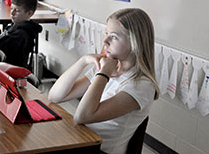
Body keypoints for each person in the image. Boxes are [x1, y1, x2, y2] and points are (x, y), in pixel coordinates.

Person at [48, 8, 159, 154]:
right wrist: (83, 61)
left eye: (113, 37)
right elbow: (55, 96)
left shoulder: (142, 85)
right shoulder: (108, 67)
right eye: (106, 34)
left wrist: (104, 74)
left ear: (134, 42)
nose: (105, 41)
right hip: (81, 141)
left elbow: (83, 116)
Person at [0, 0, 42, 69]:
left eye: (17, 10)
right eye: (11, 8)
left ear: (29, 13)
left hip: (8, 71)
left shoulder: (21, 35)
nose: (12, 13)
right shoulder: (13, 26)